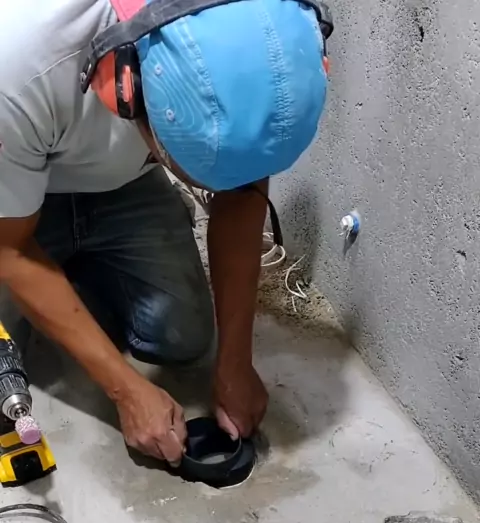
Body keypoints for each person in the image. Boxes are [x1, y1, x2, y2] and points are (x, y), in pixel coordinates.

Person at [0, 0, 329, 465]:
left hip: (119, 183)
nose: (223, 190)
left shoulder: (248, 30)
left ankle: (70, 275)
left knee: (183, 336)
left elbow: (242, 190)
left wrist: (235, 362)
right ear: (125, 91)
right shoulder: (22, 62)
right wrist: (126, 389)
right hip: (11, 197)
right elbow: (9, 250)